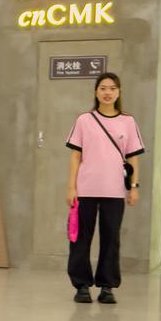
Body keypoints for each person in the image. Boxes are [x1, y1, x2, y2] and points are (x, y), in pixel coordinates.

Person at [65, 72, 144, 305]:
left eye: (112, 88)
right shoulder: (84, 120)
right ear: (95, 92)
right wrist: (71, 187)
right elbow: (75, 156)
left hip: (114, 191)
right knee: (80, 239)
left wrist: (134, 187)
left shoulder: (128, 122)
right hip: (85, 190)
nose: (107, 92)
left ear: (118, 92)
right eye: (103, 88)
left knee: (111, 238)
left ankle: (107, 286)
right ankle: (81, 286)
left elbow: (133, 158)